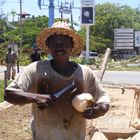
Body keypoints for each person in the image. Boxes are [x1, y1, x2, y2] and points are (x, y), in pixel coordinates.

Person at [4, 21, 110, 140]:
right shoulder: (35, 70)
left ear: (72, 46)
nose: (59, 47)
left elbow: (103, 98)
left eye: (64, 43)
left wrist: (100, 109)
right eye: (54, 43)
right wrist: (37, 97)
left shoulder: (85, 73)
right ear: (48, 46)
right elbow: (9, 94)